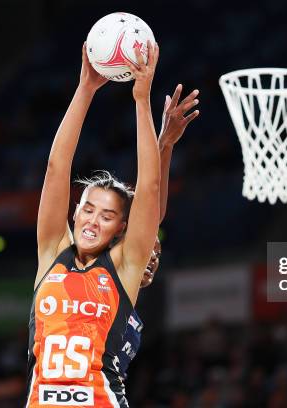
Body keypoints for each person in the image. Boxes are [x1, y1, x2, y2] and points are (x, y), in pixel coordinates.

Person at [25, 41, 198, 407]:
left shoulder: (122, 267)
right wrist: (85, 88)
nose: (92, 220)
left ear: (121, 227)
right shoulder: (52, 253)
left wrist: (141, 100)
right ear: (74, 212)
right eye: (87, 209)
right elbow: (57, 168)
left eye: (106, 216)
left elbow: (150, 194)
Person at [117, 85, 199, 387]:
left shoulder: (133, 307)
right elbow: (150, 209)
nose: (152, 258)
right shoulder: (107, 274)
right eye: (149, 248)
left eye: (158, 254)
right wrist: (163, 143)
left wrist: (168, 145)